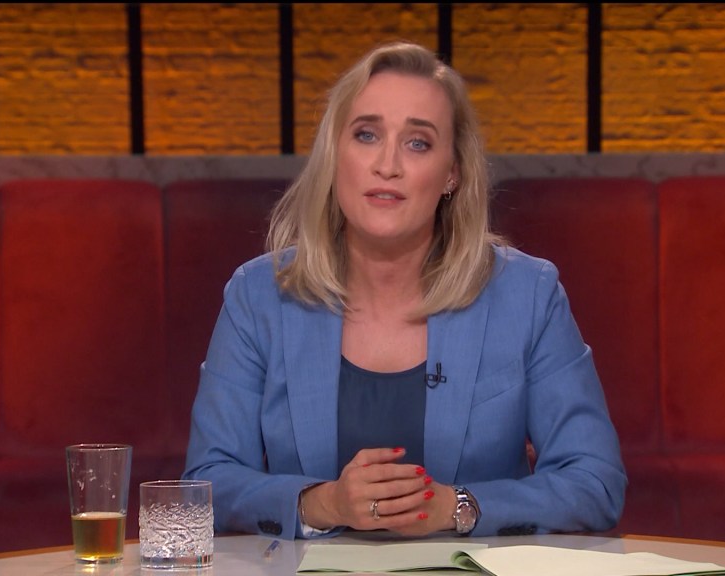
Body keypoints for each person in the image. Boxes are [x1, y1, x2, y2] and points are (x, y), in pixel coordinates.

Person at [182, 40, 627, 540]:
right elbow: (208, 481)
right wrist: (322, 503)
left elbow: (594, 481)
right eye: (366, 135)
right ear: (334, 156)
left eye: (418, 143)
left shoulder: (528, 296)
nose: (387, 164)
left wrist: (457, 507)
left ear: (452, 173)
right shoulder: (259, 297)